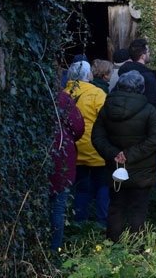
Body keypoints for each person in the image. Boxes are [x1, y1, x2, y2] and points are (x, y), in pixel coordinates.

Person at [91, 71, 156, 243]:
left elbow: (97, 137)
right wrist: (130, 155)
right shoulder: (148, 109)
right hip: (142, 168)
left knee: (116, 206)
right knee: (138, 208)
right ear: (141, 88)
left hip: (115, 167)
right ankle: (136, 247)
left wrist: (113, 154)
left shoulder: (106, 108)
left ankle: (112, 244)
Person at [120, 38, 156, 208]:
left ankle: (130, 203)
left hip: (127, 131)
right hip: (149, 130)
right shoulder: (148, 77)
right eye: (149, 51)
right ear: (143, 55)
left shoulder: (122, 75)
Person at [63, 60, 109, 226]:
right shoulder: (97, 94)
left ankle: (79, 221)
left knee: (82, 187)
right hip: (96, 150)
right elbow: (107, 119)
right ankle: (101, 222)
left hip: (75, 151)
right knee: (103, 186)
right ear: (88, 75)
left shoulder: (64, 94)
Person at [49, 89, 84, 251]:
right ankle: (54, 250)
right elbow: (77, 126)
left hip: (41, 156)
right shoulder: (61, 97)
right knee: (58, 207)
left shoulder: (25, 94)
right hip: (60, 157)